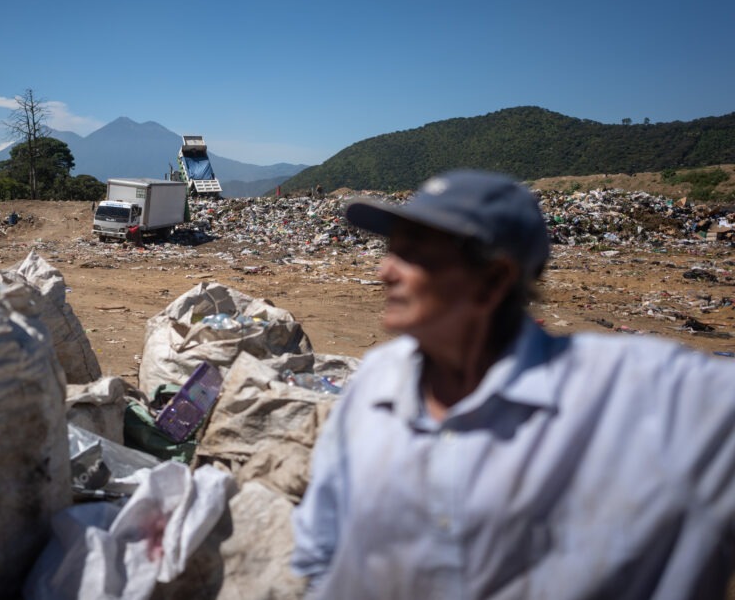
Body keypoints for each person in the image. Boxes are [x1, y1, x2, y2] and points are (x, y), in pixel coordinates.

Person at [291, 169, 735, 599]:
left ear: (494, 280)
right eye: (392, 249)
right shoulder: (377, 379)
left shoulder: (638, 394)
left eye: (415, 253)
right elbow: (319, 543)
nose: (386, 271)